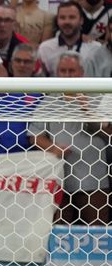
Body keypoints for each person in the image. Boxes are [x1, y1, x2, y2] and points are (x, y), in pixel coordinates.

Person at [29, 52, 111, 225]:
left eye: (72, 71)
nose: (67, 75)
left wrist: (86, 109)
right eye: (63, 71)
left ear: (81, 72)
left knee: (97, 233)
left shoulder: (99, 96)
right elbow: (34, 136)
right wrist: (52, 147)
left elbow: (108, 132)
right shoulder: (49, 102)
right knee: (59, 233)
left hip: (94, 179)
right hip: (60, 178)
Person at [37, 1, 112, 76]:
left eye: (72, 17)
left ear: (81, 20)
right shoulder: (45, 48)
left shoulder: (95, 48)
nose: (67, 22)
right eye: (62, 18)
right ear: (57, 20)